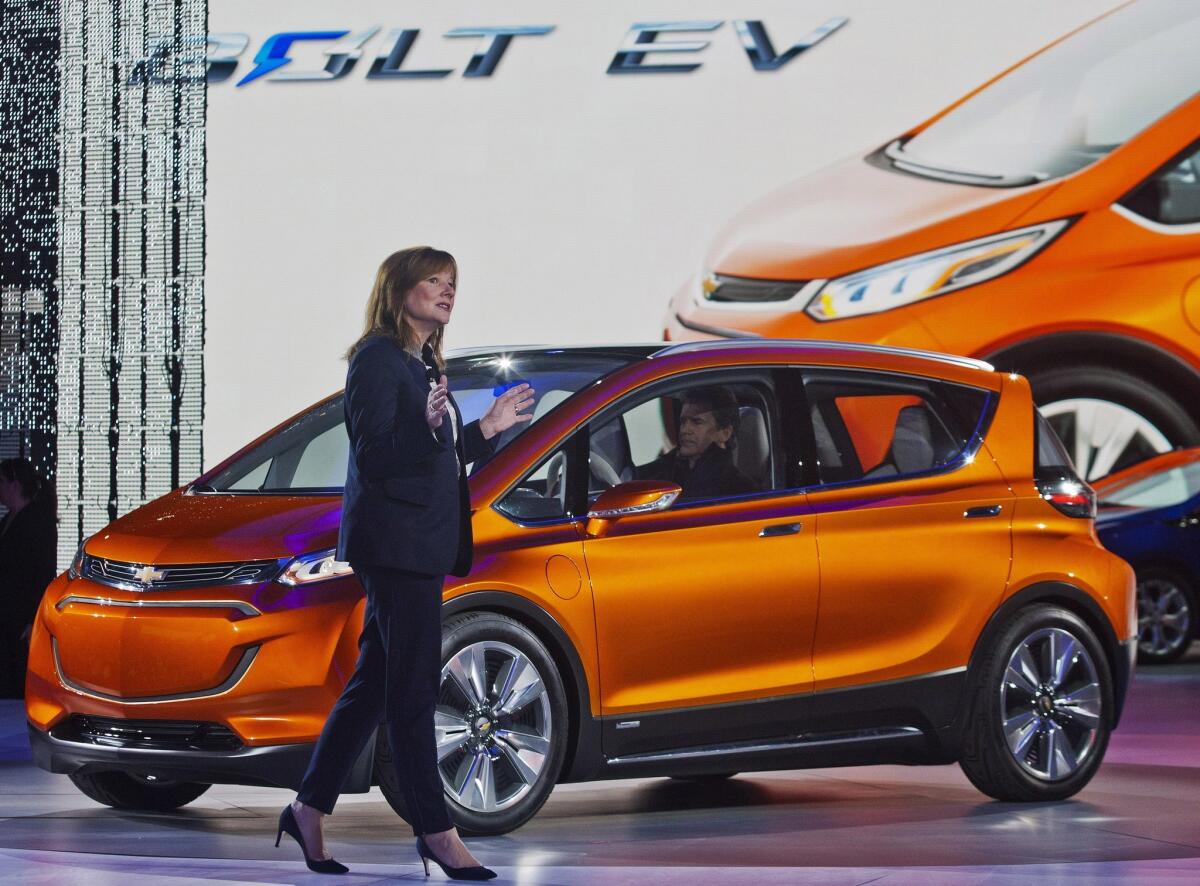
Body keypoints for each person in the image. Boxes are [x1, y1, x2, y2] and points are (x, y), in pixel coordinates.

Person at [276, 247, 534, 879]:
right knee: (412, 689)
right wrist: (430, 427)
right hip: (395, 547)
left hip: (420, 543)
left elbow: (430, 460)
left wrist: (485, 431)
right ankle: (436, 832)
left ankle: (308, 809)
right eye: (433, 282)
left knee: (374, 685)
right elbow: (378, 452)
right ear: (399, 291)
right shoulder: (377, 359)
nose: (447, 293)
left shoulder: (420, 362)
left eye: (452, 284)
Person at [0, 458, 57, 699]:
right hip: (6, 613)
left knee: (17, 676)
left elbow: (43, 572)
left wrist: (33, 617)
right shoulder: (7, 520)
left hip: (21, 615)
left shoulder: (38, 521)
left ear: (14, 484)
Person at [635, 387, 755, 500]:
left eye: (697, 422)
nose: (684, 430)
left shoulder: (741, 491)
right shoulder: (670, 469)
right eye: (683, 421)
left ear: (725, 433)